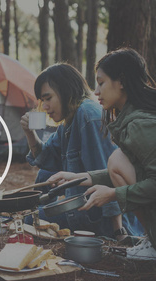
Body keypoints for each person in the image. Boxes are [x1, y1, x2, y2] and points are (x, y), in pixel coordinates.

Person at [47, 48, 156, 260]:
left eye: (101, 82)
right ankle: (151, 240)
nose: (96, 91)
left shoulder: (140, 125)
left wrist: (113, 194)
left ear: (121, 82)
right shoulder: (132, 120)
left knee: (116, 160)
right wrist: (77, 178)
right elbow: (134, 172)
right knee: (118, 161)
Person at [20, 63, 143, 240]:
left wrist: (118, 232)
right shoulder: (68, 122)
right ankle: (38, 211)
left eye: (48, 98)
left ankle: (39, 214)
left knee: (30, 220)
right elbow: (46, 158)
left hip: (100, 216)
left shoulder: (88, 116)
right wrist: (30, 133)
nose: (45, 107)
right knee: (44, 175)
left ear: (65, 91)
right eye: (42, 100)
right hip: (83, 206)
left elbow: (108, 174)